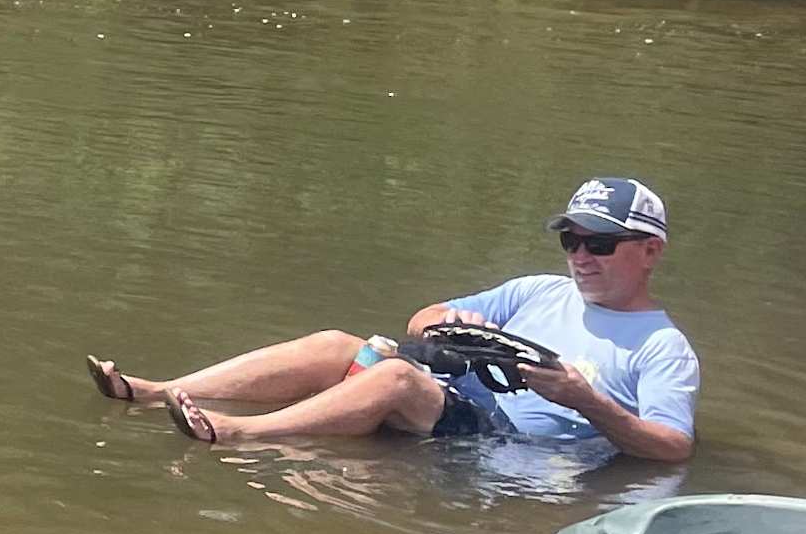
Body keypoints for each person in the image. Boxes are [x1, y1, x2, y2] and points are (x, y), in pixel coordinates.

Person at [89, 176, 700, 462]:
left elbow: (673, 448)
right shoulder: (538, 291)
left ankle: (237, 433)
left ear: (650, 251)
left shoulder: (663, 348)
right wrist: (447, 323)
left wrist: (586, 400)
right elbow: (423, 316)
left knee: (397, 380)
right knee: (335, 343)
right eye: (571, 240)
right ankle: (156, 391)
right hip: (449, 398)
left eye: (598, 244)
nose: (579, 257)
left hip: (506, 445)